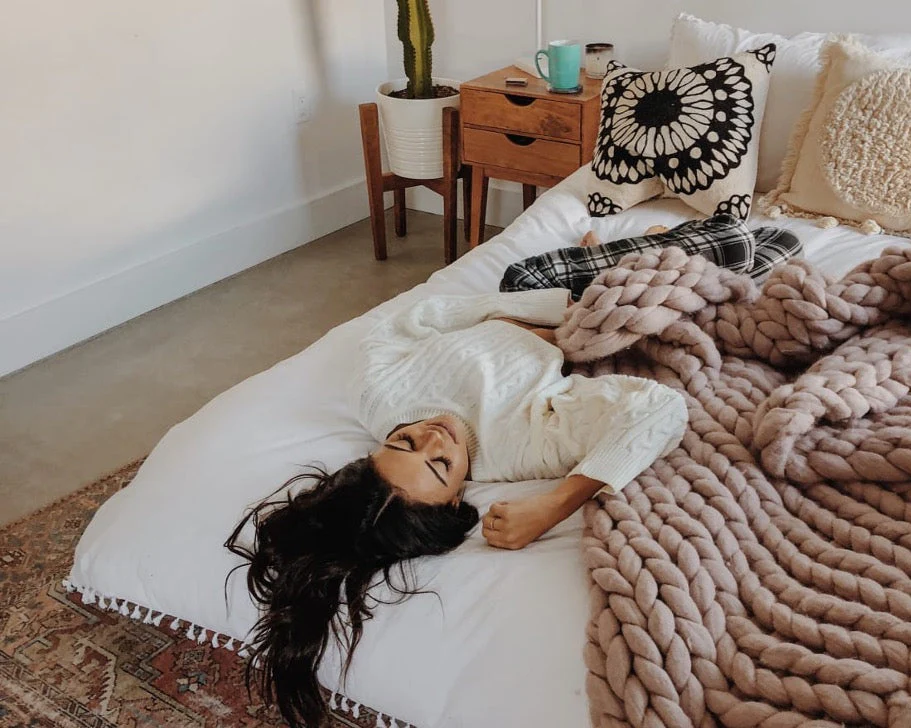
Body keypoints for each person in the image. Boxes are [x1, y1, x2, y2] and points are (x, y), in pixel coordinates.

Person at [225, 288, 688, 727]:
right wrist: (554, 505)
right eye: (441, 463)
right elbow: (660, 409)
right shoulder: (520, 448)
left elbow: (418, 317)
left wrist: (534, 312)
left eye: (403, 441)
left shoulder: (376, 395)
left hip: (532, 294)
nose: (433, 434)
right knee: (711, 260)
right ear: (455, 499)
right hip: (581, 317)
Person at [500, 213, 801, 301]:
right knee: (738, 240)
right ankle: (660, 249)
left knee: (782, 241)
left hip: (618, 301)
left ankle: (656, 250)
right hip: (532, 286)